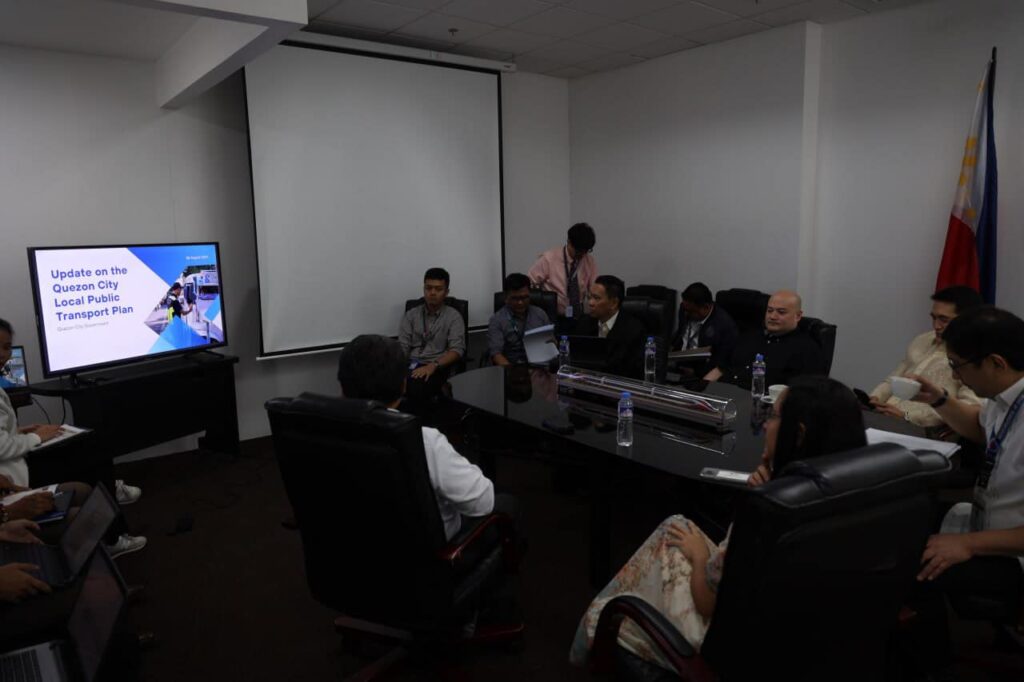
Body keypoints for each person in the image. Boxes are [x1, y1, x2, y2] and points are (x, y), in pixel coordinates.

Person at [570, 376, 867, 670]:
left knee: (671, 533)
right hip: (800, 643)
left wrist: (701, 555)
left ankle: (594, 628)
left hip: (729, 646)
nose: (765, 425)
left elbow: (706, 602)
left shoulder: (770, 510)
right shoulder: (859, 498)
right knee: (678, 530)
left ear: (798, 435)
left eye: (774, 416)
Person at [906, 307, 1024, 653]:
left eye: (957, 365)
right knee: (906, 521)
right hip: (989, 521)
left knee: (912, 568)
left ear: (996, 363)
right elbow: (981, 428)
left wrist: (969, 545)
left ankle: (933, 662)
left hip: (1013, 553)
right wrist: (939, 399)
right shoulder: (1007, 396)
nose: (955, 374)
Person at [0, 319, 145, 557]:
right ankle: (112, 535)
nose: (3, 355)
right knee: (90, 456)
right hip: (15, 474)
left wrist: (20, 431)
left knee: (91, 448)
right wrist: (36, 437)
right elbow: (2, 447)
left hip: (15, 465)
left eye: (7, 347)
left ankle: (110, 505)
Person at [338, 334, 494, 541]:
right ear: (404, 385)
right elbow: (482, 502)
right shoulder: (424, 441)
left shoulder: (320, 430)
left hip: (347, 545)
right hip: (425, 552)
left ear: (342, 386)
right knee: (509, 506)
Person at [868, 286, 982, 430]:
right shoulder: (922, 340)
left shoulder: (975, 356)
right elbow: (893, 380)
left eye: (944, 320)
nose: (936, 326)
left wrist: (906, 417)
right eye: (933, 318)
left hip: (923, 431)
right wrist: (874, 399)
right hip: (884, 419)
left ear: (967, 320)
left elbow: (968, 410)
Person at [704, 290, 824, 388]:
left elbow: (803, 394)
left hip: (759, 405)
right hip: (722, 396)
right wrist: (701, 392)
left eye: (781, 312)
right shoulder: (749, 336)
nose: (772, 316)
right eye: (770, 310)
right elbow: (720, 369)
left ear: (798, 316)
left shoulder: (807, 349)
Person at [398, 268, 466, 402]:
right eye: (428, 288)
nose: (432, 293)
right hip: (411, 364)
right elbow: (403, 346)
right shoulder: (411, 315)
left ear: (446, 292)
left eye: (438, 289)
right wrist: (398, 370)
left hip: (437, 367)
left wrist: (433, 365)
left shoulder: (453, 317)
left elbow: (457, 350)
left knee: (416, 388)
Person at [573, 275, 647, 379]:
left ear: (614, 303)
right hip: (587, 383)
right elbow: (577, 360)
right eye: (589, 297)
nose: (590, 303)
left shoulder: (633, 331)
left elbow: (631, 371)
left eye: (596, 298)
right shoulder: (584, 323)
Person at [528, 222, 597, 322]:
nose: (581, 255)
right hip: (553, 317)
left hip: (579, 316)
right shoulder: (549, 259)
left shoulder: (588, 261)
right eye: (578, 251)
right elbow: (529, 283)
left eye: (585, 251)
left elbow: (594, 288)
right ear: (569, 242)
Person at [670, 282, 739, 377]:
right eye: (685, 310)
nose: (686, 314)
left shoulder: (725, 326)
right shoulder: (686, 308)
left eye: (691, 311)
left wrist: (697, 374)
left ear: (706, 307)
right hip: (678, 363)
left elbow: (721, 364)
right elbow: (680, 336)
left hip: (702, 371)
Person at [487, 273, 551, 367]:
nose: (520, 302)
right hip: (511, 366)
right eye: (515, 298)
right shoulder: (497, 320)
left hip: (539, 365)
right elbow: (496, 354)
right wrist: (514, 372)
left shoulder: (540, 314)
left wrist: (552, 344)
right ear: (506, 297)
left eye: (524, 297)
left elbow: (551, 344)